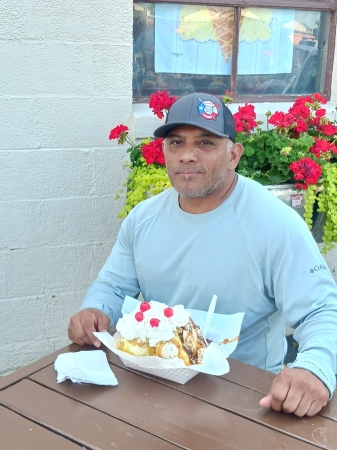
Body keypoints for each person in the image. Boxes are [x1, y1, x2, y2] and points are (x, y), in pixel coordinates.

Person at [68, 92, 337, 417]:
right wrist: (94, 309)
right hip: (150, 387)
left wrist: (315, 367)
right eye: (176, 143)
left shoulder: (274, 224)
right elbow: (112, 286)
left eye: (206, 143)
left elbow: (321, 310)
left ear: (233, 155)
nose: (187, 156)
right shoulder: (143, 218)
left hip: (246, 398)